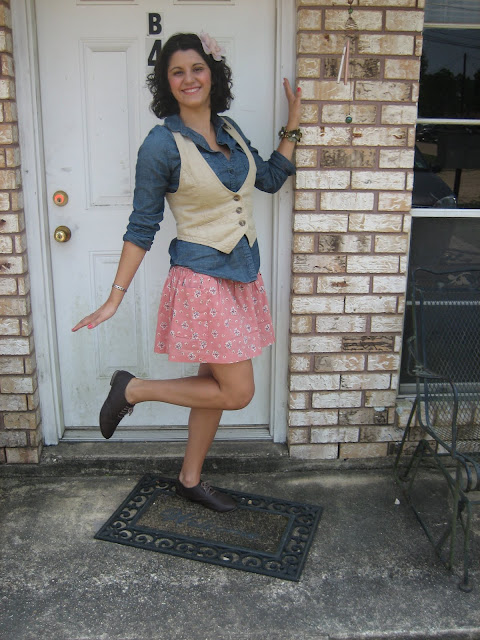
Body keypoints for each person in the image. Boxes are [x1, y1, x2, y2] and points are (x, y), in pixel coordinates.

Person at [72, 32, 301, 513]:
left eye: (197, 68)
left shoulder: (230, 129)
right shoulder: (161, 145)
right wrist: (114, 297)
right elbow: (142, 226)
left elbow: (269, 178)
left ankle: (189, 479)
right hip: (201, 278)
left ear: (212, 74)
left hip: (241, 275)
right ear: (167, 83)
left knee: (211, 385)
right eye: (177, 72)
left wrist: (294, 124)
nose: (189, 78)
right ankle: (132, 388)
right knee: (237, 392)